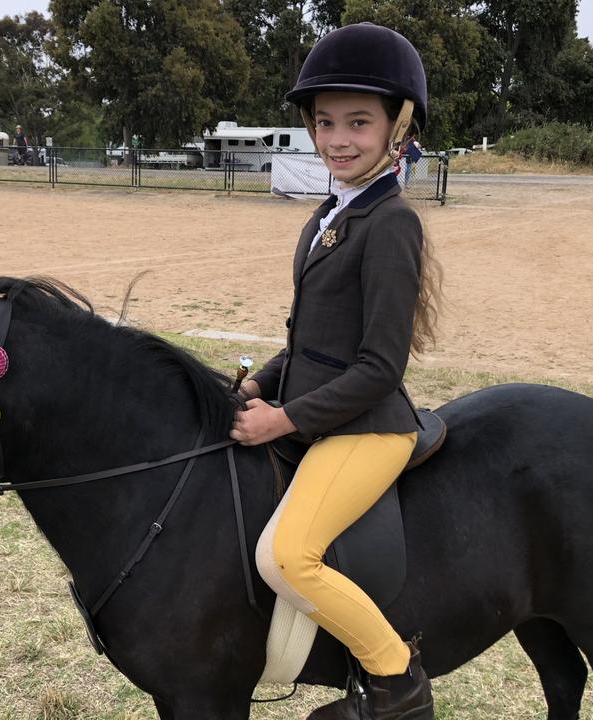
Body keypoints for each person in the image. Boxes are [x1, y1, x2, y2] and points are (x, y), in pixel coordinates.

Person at [230, 22, 440, 720]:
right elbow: (309, 344)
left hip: (369, 426)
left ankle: (395, 679)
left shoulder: (391, 224)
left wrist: (284, 420)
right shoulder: (327, 214)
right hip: (320, 406)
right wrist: (261, 382)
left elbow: (379, 367)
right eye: (325, 123)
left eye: (358, 122)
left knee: (287, 556)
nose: (338, 139)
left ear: (396, 127)